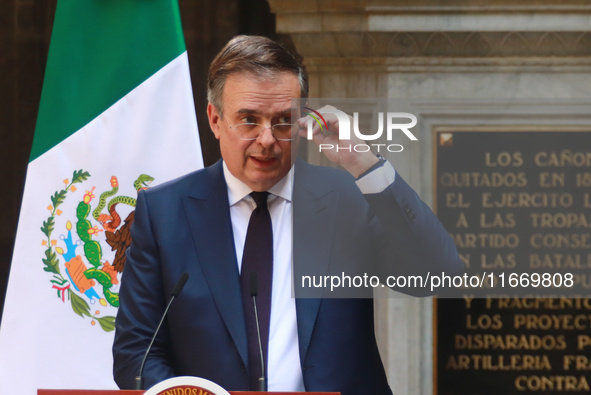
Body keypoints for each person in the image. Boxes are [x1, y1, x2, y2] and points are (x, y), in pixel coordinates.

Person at [112, 35, 463, 394]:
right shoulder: (165, 213)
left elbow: (436, 277)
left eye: (283, 121)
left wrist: (364, 163)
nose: (267, 139)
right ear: (215, 120)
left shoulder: (348, 198)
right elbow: (136, 353)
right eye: (249, 120)